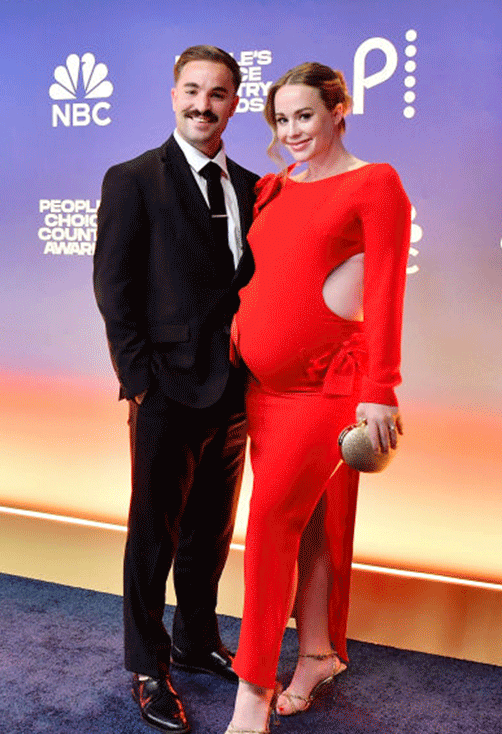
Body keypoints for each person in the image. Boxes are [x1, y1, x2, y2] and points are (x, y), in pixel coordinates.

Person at [223, 62, 411, 734]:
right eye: (281, 119)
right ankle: (319, 653)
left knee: (271, 521)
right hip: (262, 389)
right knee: (313, 522)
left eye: (305, 115)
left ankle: (251, 691)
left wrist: (379, 390)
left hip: (328, 386)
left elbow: (386, 290)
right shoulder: (274, 187)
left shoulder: (375, 182)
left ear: (339, 111)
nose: (292, 130)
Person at [92, 45, 258, 734]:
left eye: (217, 94)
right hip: (163, 389)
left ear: (234, 104)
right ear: (172, 95)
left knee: (211, 532)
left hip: (237, 392)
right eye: (191, 90)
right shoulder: (133, 179)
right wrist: (138, 383)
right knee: (152, 537)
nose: (202, 104)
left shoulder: (251, 186)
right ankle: (146, 664)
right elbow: (113, 288)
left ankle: (195, 641)